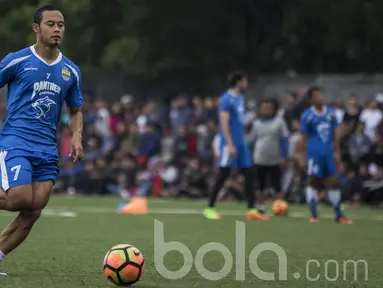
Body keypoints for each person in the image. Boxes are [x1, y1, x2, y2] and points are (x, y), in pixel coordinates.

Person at [0, 5, 84, 275]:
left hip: (47, 148)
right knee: (20, 198)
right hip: (16, 141)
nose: (57, 28)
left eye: (60, 24)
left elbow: (75, 110)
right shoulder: (17, 60)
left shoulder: (71, 70)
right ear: (36, 28)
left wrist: (77, 136)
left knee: (35, 208)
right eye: (50, 24)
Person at [203, 71, 268, 220]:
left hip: (241, 142)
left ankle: (251, 210)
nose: (246, 84)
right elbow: (224, 122)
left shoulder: (240, 98)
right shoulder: (226, 99)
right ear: (238, 82)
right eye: (244, 81)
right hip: (229, 143)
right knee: (223, 174)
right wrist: (230, 144)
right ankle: (209, 208)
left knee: (249, 173)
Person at [300, 87, 352, 224]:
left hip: (328, 153)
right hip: (313, 153)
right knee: (313, 181)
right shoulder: (307, 116)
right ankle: (314, 214)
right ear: (311, 99)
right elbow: (303, 138)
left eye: (321, 95)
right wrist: (302, 156)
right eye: (317, 96)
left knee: (333, 182)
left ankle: (339, 215)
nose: (320, 98)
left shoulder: (331, 113)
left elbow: (335, 135)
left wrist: (337, 151)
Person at [247, 99, 289, 202]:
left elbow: (284, 139)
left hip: (275, 158)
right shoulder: (257, 123)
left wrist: (284, 156)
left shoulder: (279, 122)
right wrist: (247, 155)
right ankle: (260, 207)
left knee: (277, 184)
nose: (267, 110)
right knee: (260, 185)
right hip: (260, 158)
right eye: (264, 108)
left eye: (269, 108)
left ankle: (280, 206)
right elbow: (251, 141)